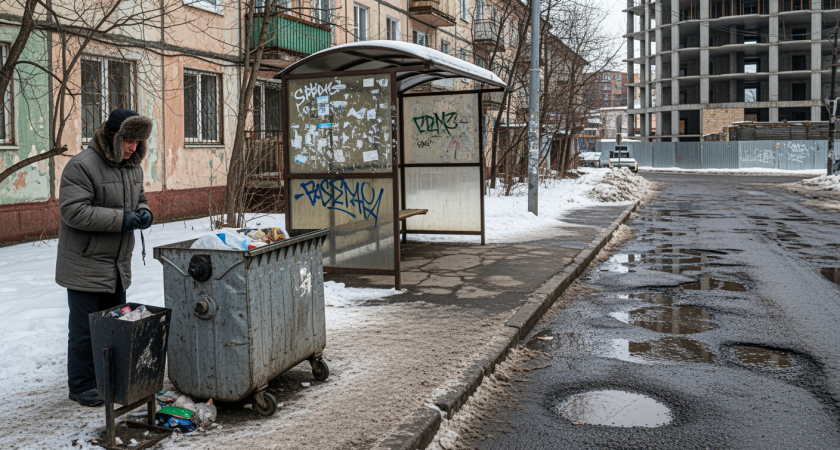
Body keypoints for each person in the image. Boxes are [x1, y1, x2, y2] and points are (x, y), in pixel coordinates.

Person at [55, 109, 154, 406]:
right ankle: (81, 385)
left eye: (138, 142)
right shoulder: (82, 166)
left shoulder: (132, 167)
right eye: (129, 141)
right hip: (85, 264)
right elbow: (73, 212)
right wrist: (122, 220)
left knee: (114, 328)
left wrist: (145, 212)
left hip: (116, 265)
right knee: (85, 330)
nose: (133, 148)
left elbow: (139, 198)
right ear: (113, 137)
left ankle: (106, 379)